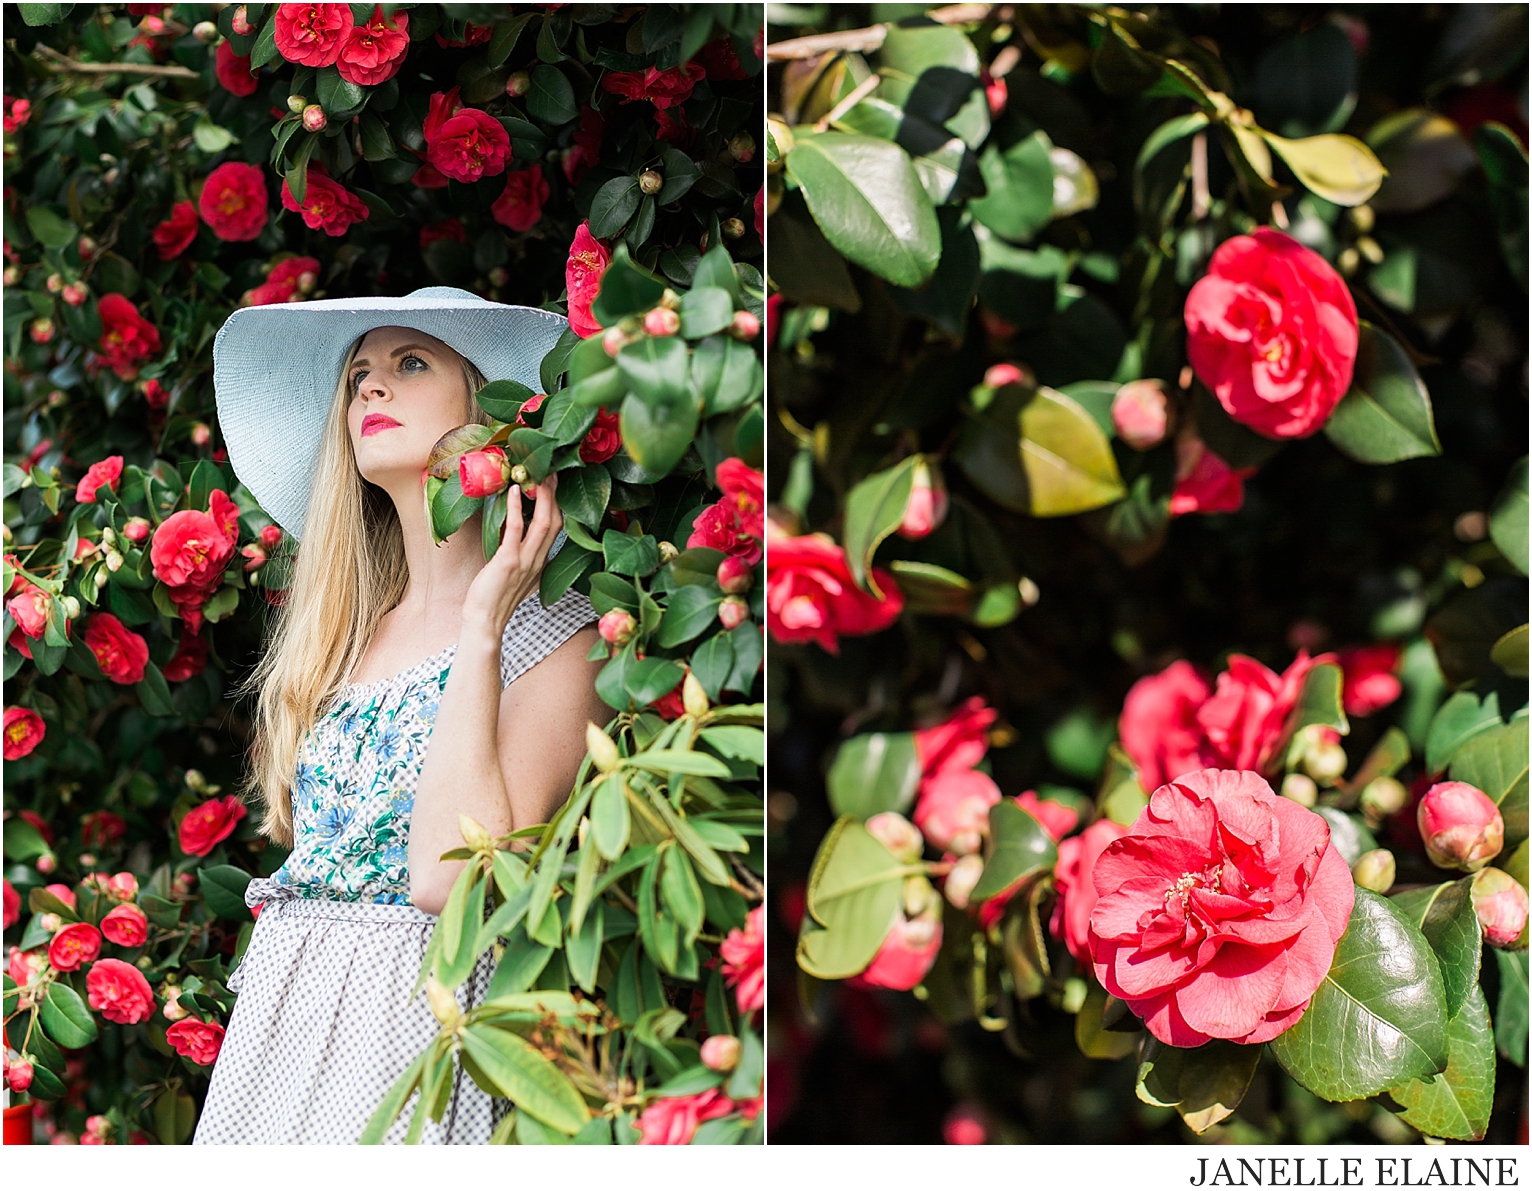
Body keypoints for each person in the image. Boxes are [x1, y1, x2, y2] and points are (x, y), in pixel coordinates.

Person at [193, 287, 607, 1144]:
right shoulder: (341, 637)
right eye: (358, 376)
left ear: (489, 407)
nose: (371, 390)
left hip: (410, 1027)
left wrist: (483, 625)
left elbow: (449, 881)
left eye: (409, 363)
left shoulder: (555, 638)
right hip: (280, 1026)